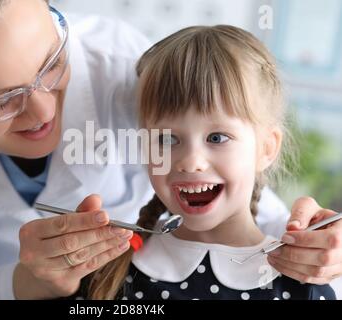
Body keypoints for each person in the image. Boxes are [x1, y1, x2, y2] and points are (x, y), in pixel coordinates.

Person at [0, 0, 341, 300]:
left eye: (52, 62)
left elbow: (235, 179)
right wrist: (27, 283)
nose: (44, 111)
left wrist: (315, 243)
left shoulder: (129, 69)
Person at [71, 25, 336, 300]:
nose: (191, 162)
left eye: (218, 137)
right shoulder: (109, 275)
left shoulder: (303, 285)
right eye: (167, 139)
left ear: (266, 148)